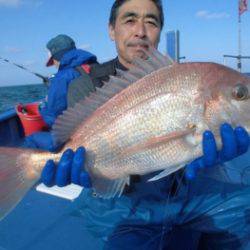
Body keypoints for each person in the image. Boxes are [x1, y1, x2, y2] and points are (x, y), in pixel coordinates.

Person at [40, 1, 250, 249]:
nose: (140, 30)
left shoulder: (181, 76)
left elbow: (189, 145)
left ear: (160, 31)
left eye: (151, 22)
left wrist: (216, 159)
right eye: (129, 20)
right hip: (122, 203)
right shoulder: (85, 86)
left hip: (187, 189)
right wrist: (89, 171)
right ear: (111, 29)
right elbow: (73, 143)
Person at [24, 34, 98, 151]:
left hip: (76, 135)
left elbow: (52, 117)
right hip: (99, 126)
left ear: (58, 57)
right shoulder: (94, 66)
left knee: (31, 139)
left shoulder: (62, 78)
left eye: (53, 61)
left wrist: (43, 107)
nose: (54, 65)